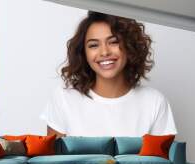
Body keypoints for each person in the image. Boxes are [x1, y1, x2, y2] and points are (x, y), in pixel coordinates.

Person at [40, 11, 177, 138]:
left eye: (113, 42)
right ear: (84, 53)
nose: (104, 52)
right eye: (94, 45)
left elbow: (162, 163)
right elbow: (53, 162)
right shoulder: (63, 99)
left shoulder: (154, 102)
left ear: (129, 46)